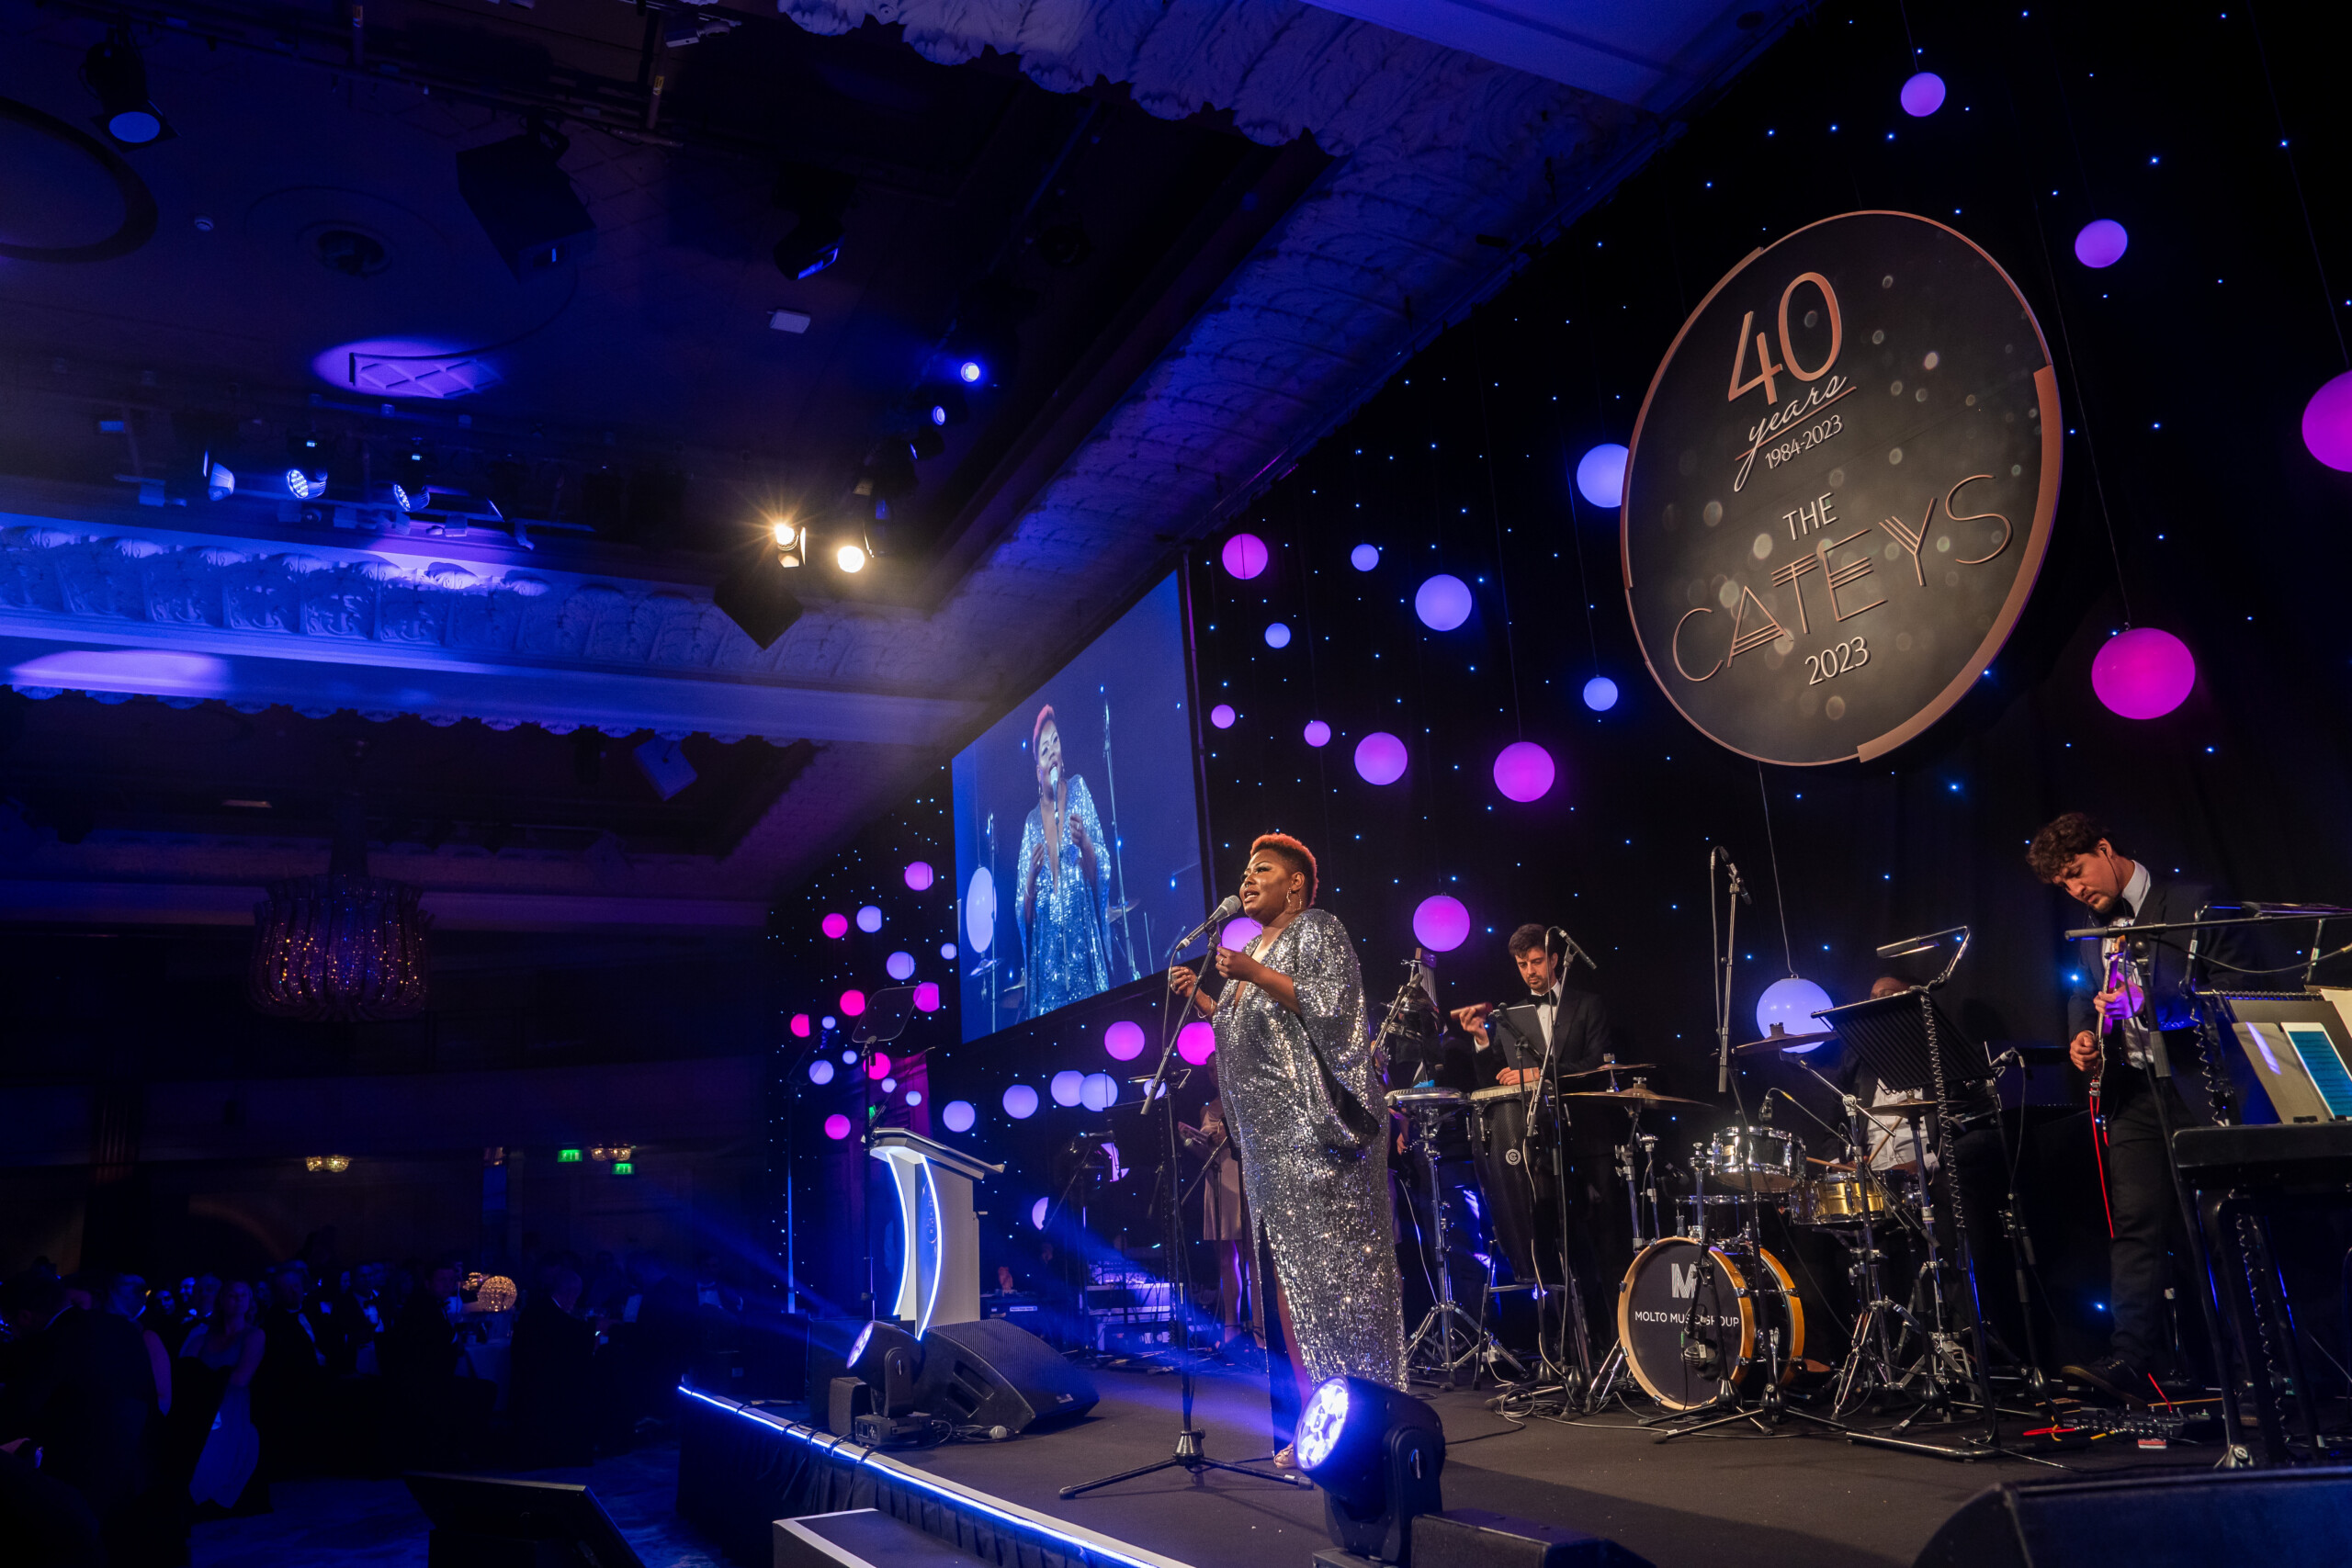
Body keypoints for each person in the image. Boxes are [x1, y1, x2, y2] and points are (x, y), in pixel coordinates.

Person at [1170, 834, 1403, 1464]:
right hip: (1269, 1147)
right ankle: (1316, 1426)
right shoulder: (1249, 947)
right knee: (1290, 1293)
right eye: (1245, 870)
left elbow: (1333, 1009)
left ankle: (1362, 1425)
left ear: (1294, 884)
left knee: (1333, 1288)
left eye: (1262, 870)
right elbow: (1245, 1035)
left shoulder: (1316, 929)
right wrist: (1204, 997)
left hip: (1314, 1140)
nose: (1247, 878)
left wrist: (1256, 974)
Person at [2030, 810, 2242, 1404]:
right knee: (2136, 1228)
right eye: (2064, 884)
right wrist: (2083, 1039)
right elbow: (2080, 990)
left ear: (2105, 847)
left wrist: (2148, 1001)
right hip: (2133, 1094)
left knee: (2224, 1223)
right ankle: (2130, 1357)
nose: (2076, 889)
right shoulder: (2089, 927)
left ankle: (2253, 1360)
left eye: (2077, 872)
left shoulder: (2194, 901)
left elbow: (2229, 990)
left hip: (2200, 1088)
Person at [1449, 923, 1625, 1353]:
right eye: (1521, 964)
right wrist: (1483, 1039)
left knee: (1605, 1250)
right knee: (1561, 1251)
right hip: (1541, 1149)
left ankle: (1621, 1349)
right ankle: (1573, 1352)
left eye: (1536, 962)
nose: (1529, 971)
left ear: (1555, 960)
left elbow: (1599, 1067)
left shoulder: (1588, 1006)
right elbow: (1497, 1082)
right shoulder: (1513, 1016)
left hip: (1590, 1141)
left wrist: (1540, 1075)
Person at [0, 1269, 155, 1556]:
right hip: (138, 1473)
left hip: (77, 1488)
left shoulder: (51, 1341)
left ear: (23, 1317)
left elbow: (17, 1412)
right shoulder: (122, 1328)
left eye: (9, 1324)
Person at [1016, 705, 1114, 1019]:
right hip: (1048, 956)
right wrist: (1031, 876)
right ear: (1038, 770)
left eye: (1055, 742)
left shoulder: (1079, 790)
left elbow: (1102, 869)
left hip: (1081, 939)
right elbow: (1022, 909)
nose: (1052, 752)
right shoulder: (1031, 822)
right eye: (1044, 750)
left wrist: (1084, 841)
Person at [172, 1279, 265, 1514]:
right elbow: (184, 1369)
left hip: (230, 1407)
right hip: (200, 1404)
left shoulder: (254, 1336)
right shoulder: (202, 1335)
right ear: (222, 1300)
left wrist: (203, 1378)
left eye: (244, 1295)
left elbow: (241, 1377)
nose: (238, 1300)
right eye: (233, 1295)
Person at [1179, 1085, 1257, 1349]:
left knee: (1251, 1259)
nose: (1214, 1075)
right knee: (1225, 1257)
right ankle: (1230, 1327)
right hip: (1217, 1180)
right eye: (1210, 1071)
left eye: (1216, 1068)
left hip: (1243, 1178)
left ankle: (1259, 1328)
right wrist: (1190, 1140)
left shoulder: (1246, 1097)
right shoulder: (1207, 1108)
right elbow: (1205, 1154)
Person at [511, 1269, 602, 1467]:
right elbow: (580, 1344)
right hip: (549, 1383)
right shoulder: (554, 1317)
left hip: (531, 1378)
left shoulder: (537, 1310)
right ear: (571, 1294)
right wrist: (595, 1333)